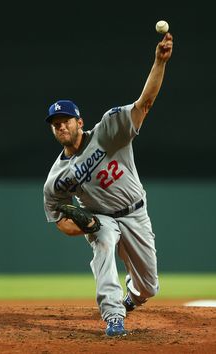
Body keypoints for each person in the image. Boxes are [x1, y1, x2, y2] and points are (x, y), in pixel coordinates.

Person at [43, 33, 173, 336]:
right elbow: (58, 219)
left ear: (79, 121)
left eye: (65, 119)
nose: (61, 125)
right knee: (102, 243)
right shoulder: (57, 178)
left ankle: (132, 298)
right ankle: (113, 316)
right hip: (101, 218)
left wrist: (160, 61)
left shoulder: (108, 130)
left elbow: (146, 103)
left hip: (135, 212)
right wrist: (84, 227)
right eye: (54, 123)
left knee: (149, 287)